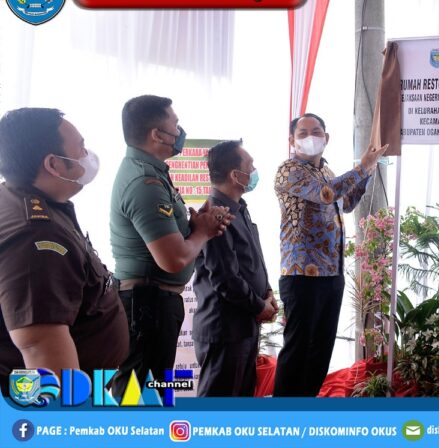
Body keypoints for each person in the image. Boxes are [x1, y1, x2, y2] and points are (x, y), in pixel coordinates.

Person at [109, 95, 232, 397]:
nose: (179, 132)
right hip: (147, 306)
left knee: (152, 394)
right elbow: (173, 258)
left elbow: (170, 236)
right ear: (157, 134)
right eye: (175, 125)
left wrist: (198, 223)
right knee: (137, 399)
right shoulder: (144, 182)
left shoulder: (154, 173)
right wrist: (203, 232)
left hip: (154, 304)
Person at [0, 108, 128, 394]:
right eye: (80, 148)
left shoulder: (25, 198)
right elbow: (40, 348)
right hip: (60, 400)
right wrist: (70, 416)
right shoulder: (35, 237)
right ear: (53, 164)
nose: (87, 155)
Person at [272, 113, 388, 396]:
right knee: (298, 349)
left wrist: (367, 173)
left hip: (331, 273)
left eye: (316, 131)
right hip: (302, 274)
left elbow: (345, 203)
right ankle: (281, 413)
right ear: (291, 140)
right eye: (302, 133)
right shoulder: (289, 170)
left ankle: (306, 407)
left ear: (326, 138)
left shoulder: (326, 171)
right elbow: (326, 194)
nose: (310, 137)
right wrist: (362, 167)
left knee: (321, 350)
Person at [193, 140, 277, 397]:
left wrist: (267, 293)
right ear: (235, 175)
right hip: (225, 330)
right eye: (250, 165)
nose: (254, 171)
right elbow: (226, 278)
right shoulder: (214, 215)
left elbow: (251, 260)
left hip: (244, 327)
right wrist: (259, 306)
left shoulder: (239, 209)